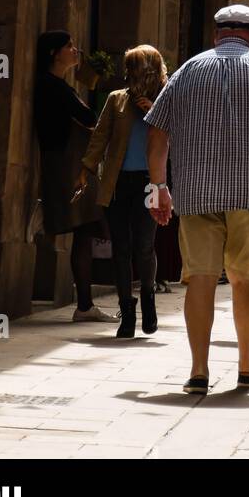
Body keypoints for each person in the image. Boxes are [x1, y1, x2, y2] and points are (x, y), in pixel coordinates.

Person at [145, 5, 249, 395]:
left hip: (196, 193)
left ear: (217, 33)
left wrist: (158, 186)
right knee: (244, 278)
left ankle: (198, 371)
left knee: (200, 278)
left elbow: (156, 132)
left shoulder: (188, 70)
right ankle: (247, 365)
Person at [80, 45, 167, 338]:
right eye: (128, 69)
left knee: (144, 245)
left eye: (135, 68)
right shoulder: (117, 99)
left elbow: (179, 135)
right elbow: (100, 135)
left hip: (149, 183)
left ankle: (148, 299)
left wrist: (154, 111)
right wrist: (86, 169)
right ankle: (126, 313)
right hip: (118, 184)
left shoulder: (167, 99)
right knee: (121, 248)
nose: (129, 74)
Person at [33, 30, 112, 323]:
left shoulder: (56, 85)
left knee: (86, 228)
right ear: (55, 52)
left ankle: (85, 304)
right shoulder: (53, 86)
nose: (75, 50)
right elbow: (91, 119)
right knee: (86, 226)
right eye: (69, 46)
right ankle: (85, 305)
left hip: (66, 163)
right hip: (65, 165)